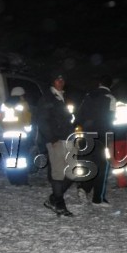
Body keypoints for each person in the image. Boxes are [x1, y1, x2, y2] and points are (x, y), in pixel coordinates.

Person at [34, 72, 75, 216]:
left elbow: (68, 118)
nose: (60, 81)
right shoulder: (47, 98)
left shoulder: (64, 97)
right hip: (56, 140)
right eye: (57, 79)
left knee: (73, 172)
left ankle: (54, 198)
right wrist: (52, 138)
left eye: (62, 79)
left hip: (68, 138)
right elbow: (42, 120)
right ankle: (59, 204)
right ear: (52, 81)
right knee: (58, 173)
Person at [75, 75, 117, 207]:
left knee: (88, 164)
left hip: (86, 136)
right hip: (101, 138)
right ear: (110, 85)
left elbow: (78, 117)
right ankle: (98, 198)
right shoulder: (111, 98)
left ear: (99, 83)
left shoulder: (88, 96)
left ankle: (83, 187)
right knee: (102, 167)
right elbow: (111, 121)